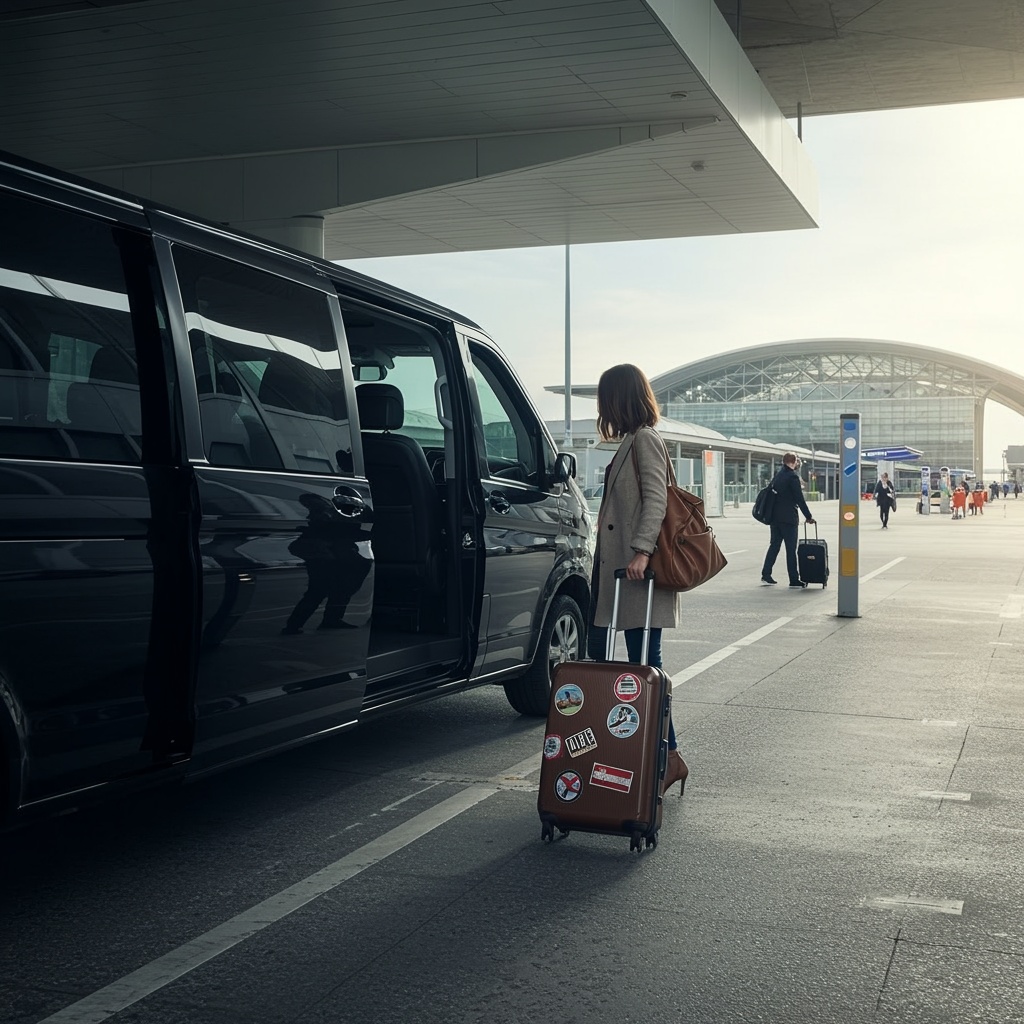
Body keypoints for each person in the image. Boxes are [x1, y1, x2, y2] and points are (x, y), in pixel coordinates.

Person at [587, 363, 687, 796]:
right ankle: (661, 757)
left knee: (644, 668)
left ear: (619, 398)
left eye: (605, 398)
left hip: (637, 574)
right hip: (621, 574)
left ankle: (666, 758)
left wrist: (643, 551)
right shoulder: (631, 440)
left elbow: (657, 499)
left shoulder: (645, 439)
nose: (601, 407)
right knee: (629, 666)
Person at [761, 452, 816, 588]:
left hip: (775, 518)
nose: (798, 464)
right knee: (791, 549)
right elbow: (799, 499)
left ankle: (766, 574)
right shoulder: (792, 477)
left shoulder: (778, 476)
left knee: (774, 546)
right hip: (788, 519)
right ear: (793, 462)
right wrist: (808, 516)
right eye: (797, 461)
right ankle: (793, 579)